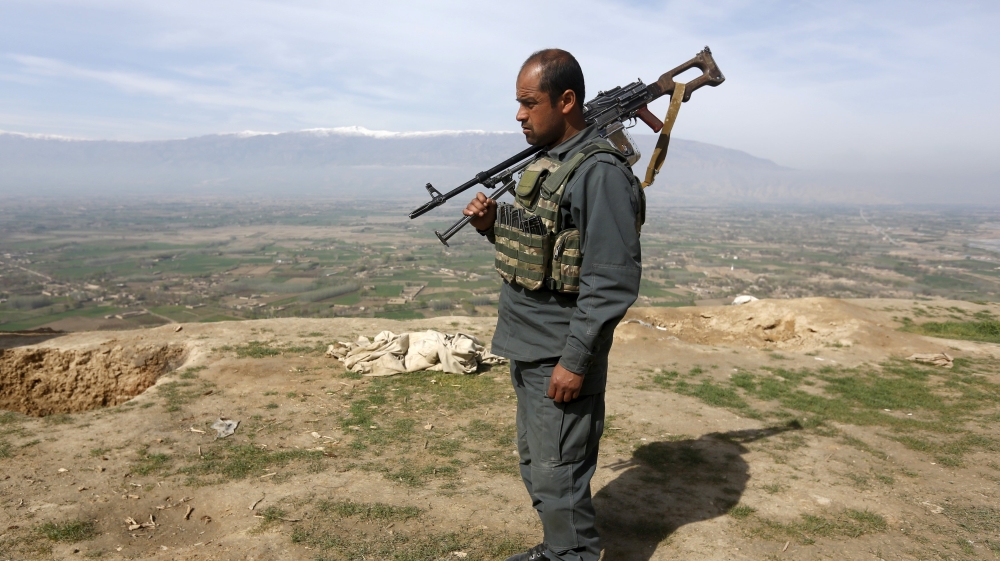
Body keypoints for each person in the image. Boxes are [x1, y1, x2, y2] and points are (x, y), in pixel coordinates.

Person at [463, 48, 644, 561]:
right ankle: (558, 548)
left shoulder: (600, 173)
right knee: (540, 465)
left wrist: (576, 360)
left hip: (559, 356)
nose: (519, 115)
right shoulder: (553, 164)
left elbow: (611, 282)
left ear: (566, 101)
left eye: (528, 103)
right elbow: (545, 253)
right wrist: (490, 227)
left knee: (560, 473)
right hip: (529, 345)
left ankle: (573, 555)